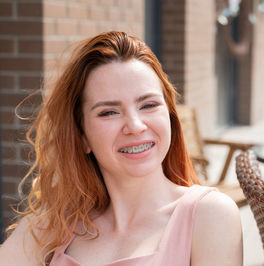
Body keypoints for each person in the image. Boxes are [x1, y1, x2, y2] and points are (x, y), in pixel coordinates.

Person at [0, 31, 243, 266]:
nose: (135, 126)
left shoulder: (209, 215)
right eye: (109, 112)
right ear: (82, 136)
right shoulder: (57, 221)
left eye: (148, 105)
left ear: (169, 116)